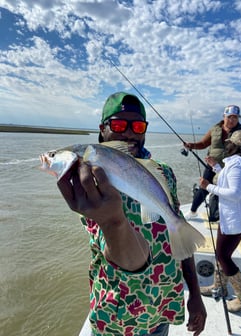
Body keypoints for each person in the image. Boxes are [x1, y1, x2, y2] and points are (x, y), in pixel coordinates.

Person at [57, 92, 206, 336]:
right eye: (117, 125)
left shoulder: (163, 172)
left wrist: (196, 295)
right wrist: (113, 222)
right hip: (118, 318)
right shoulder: (86, 180)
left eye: (137, 125)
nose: (128, 133)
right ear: (102, 129)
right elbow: (118, 254)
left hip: (162, 306)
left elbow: (178, 232)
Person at [199, 130, 241, 313]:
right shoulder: (238, 164)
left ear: (237, 147)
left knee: (223, 256)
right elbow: (229, 182)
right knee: (221, 253)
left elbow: (234, 194)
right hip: (234, 217)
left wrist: (209, 187)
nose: (226, 144)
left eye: (230, 142)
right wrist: (215, 168)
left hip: (235, 219)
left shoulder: (238, 164)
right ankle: (218, 287)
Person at [184, 105, 241, 220]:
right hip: (211, 165)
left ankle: (229, 215)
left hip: (231, 167)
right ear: (224, 116)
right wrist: (191, 145)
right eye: (230, 117)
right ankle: (193, 211)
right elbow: (203, 144)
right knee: (204, 187)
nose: (232, 120)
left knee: (229, 191)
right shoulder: (214, 129)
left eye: (235, 117)